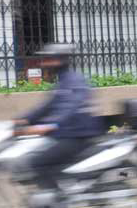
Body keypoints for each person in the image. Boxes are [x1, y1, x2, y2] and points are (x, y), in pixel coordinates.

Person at [15, 43, 105, 189]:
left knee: (38, 163)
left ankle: (54, 201)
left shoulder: (75, 81)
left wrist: (49, 125)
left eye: (49, 60)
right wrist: (21, 120)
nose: (45, 64)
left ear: (60, 60)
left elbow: (69, 107)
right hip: (64, 134)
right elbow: (45, 107)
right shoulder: (62, 83)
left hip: (78, 136)